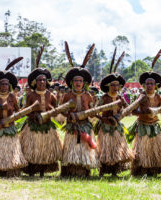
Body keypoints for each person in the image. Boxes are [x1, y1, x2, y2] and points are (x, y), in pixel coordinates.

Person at [130, 46, 161, 176]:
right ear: (144, 85)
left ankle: (155, 168)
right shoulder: (141, 97)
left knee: (156, 149)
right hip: (143, 126)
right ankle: (142, 168)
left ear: (156, 86)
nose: (149, 86)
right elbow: (133, 112)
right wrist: (145, 112)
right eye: (147, 83)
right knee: (143, 150)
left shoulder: (158, 97)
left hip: (154, 126)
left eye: (151, 84)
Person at [20, 46, 62, 177]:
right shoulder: (31, 96)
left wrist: (51, 113)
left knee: (45, 149)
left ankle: (44, 171)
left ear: (47, 82)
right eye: (39, 80)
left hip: (47, 126)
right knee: (33, 149)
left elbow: (56, 109)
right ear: (34, 82)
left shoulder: (51, 95)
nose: (42, 82)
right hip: (33, 126)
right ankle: (32, 170)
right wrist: (34, 116)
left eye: (44, 80)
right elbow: (26, 110)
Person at [0, 57, 27, 176]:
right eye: (2, 84)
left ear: (9, 85)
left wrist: (15, 117)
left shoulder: (12, 97)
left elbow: (18, 111)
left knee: (9, 150)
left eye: (6, 84)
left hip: (10, 127)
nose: (4, 86)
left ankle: (10, 168)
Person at [60, 42, 99, 177]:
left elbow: (92, 111)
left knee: (84, 149)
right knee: (73, 149)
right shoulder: (67, 95)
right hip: (72, 127)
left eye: (80, 81)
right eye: (75, 81)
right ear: (72, 82)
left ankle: (85, 169)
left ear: (84, 83)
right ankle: (70, 170)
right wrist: (68, 115)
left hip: (85, 126)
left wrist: (91, 115)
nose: (78, 83)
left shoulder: (88, 95)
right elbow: (61, 110)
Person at [96, 49, 134, 177]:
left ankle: (115, 172)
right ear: (108, 86)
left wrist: (120, 115)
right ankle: (102, 170)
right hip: (105, 128)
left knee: (117, 149)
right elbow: (95, 111)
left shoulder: (120, 98)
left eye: (117, 85)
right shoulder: (104, 98)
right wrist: (103, 120)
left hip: (117, 127)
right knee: (105, 150)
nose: (115, 87)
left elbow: (127, 109)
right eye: (113, 85)